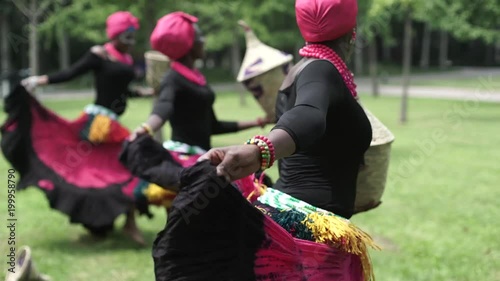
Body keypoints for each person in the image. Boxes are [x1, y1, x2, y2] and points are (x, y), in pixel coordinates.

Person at [146, 0, 379, 280]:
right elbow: (308, 118)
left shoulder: (304, 70)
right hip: (307, 233)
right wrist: (260, 150)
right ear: (353, 28)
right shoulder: (321, 69)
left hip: (303, 219)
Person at [1, 11, 166, 246]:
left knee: (123, 169)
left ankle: (121, 222)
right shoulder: (99, 54)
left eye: (133, 37)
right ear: (115, 36)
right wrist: (39, 80)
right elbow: (71, 73)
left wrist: (148, 92)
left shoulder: (126, 60)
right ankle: (118, 223)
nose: (130, 41)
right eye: (126, 37)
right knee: (104, 171)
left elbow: (124, 91)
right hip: (97, 124)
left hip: (112, 126)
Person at [129, 11, 270, 171]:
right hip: (186, 160)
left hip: (203, 156)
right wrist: (147, 128)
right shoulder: (173, 77)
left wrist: (257, 122)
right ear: (189, 43)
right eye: (200, 37)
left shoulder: (197, 78)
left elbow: (213, 126)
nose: (204, 41)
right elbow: (164, 106)